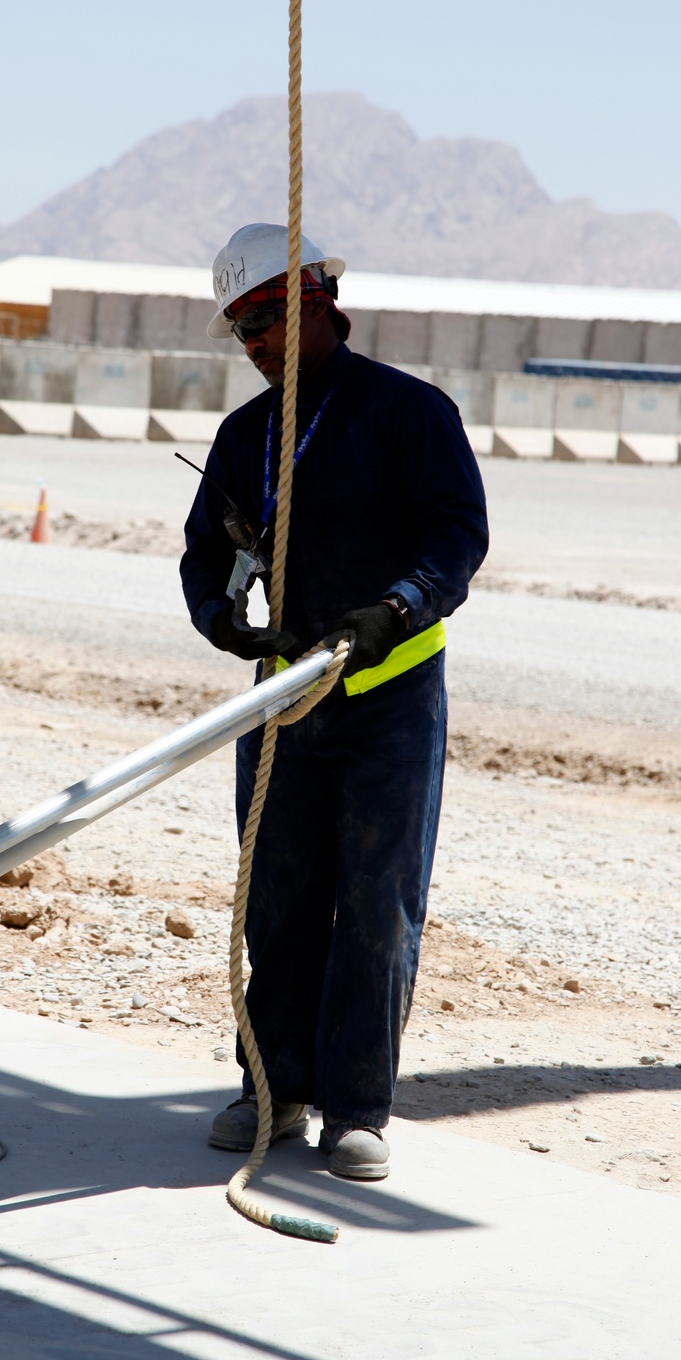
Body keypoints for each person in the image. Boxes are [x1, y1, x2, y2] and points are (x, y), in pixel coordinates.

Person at [180, 222, 489, 1180]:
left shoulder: (409, 415)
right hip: (286, 703)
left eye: (267, 320)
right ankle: (274, 1091)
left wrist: (393, 610)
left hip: (389, 704)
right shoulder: (245, 438)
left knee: (377, 907)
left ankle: (357, 1107)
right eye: (241, 332)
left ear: (318, 304)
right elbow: (205, 556)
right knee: (278, 901)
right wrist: (223, 616)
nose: (257, 345)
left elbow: (458, 536)